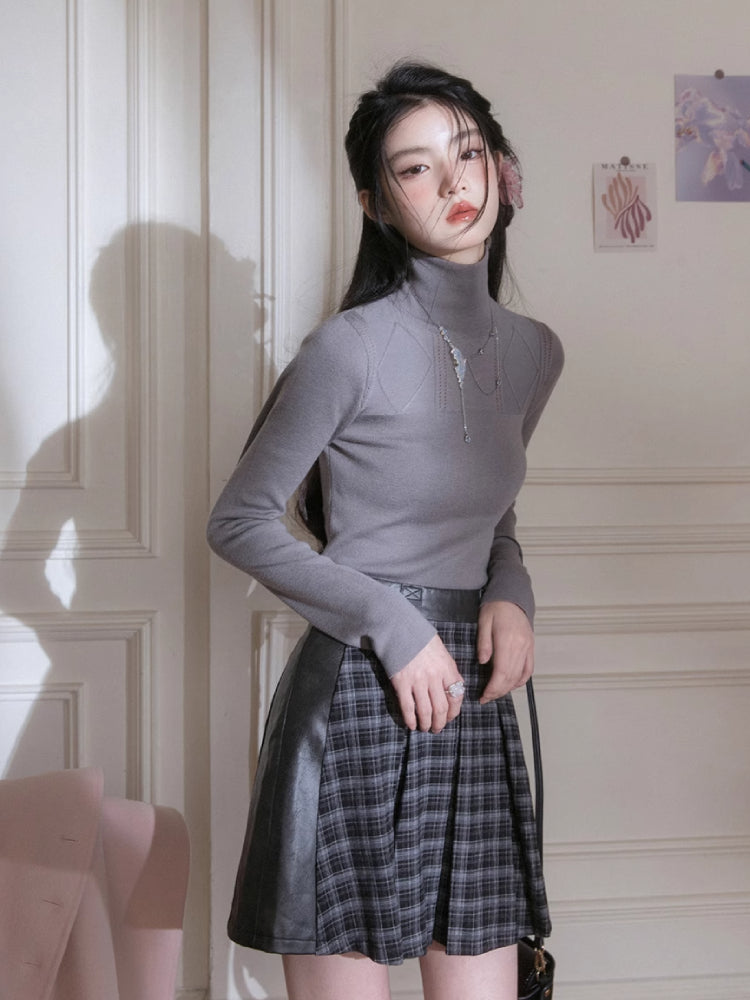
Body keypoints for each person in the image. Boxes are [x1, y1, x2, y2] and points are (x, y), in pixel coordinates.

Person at [207, 60, 563, 1000]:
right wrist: (394, 626)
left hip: (470, 694)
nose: (451, 182)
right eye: (414, 168)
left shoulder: (535, 352)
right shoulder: (347, 348)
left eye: (467, 152)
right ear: (375, 203)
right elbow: (238, 521)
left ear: (502, 169)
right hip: (363, 685)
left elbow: (488, 511)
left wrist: (511, 590)